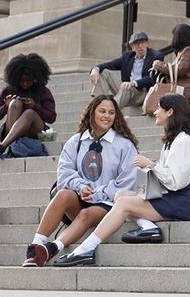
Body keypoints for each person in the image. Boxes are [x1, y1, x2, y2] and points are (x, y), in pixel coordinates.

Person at [53, 95, 190, 264]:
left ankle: (85, 250)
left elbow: (176, 182)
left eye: (159, 108)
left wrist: (150, 164)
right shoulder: (173, 140)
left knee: (124, 204)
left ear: (170, 112)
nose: (155, 112)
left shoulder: (184, 141)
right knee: (121, 195)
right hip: (175, 197)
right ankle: (149, 228)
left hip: (185, 201)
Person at [22, 96, 139, 267]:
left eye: (111, 112)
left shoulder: (124, 145)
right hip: (81, 197)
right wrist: (81, 187)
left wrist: (97, 193)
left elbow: (127, 182)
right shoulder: (76, 142)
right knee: (63, 195)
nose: (107, 116)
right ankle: (35, 247)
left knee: (86, 214)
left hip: (108, 203)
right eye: (102, 111)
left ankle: (52, 249)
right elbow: (65, 172)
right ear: (92, 113)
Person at [0, 53, 57, 157]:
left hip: (35, 130)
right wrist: (5, 107)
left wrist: (35, 106)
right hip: (10, 128)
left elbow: (52, 117)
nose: (25, 84)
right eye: (22, 81)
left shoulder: (43, 91)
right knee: (15, 104)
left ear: (35, 78)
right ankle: (13, 144)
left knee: (29, 113)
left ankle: (3, 146)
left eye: (28, 80)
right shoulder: (7, 91)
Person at [90, 31, 163, 110]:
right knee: (104, 72)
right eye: (136, 44)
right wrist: (96, 69)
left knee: (127, 87)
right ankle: (97, 102)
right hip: (126, 92)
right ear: (132, 46)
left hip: (143, 93)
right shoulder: (128, 57)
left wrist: (133, 83)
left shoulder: (156, 56)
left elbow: (152, 78)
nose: (140, 46)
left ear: (147, 44)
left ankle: (109, 109)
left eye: (142, 43)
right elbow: (109, 65)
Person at [150, 24, 190, 109]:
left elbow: (180, 70)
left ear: (178, 37)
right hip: (188, 88)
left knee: (167, 101)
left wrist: (159, 65)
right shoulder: (183, 52)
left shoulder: (189, 51)